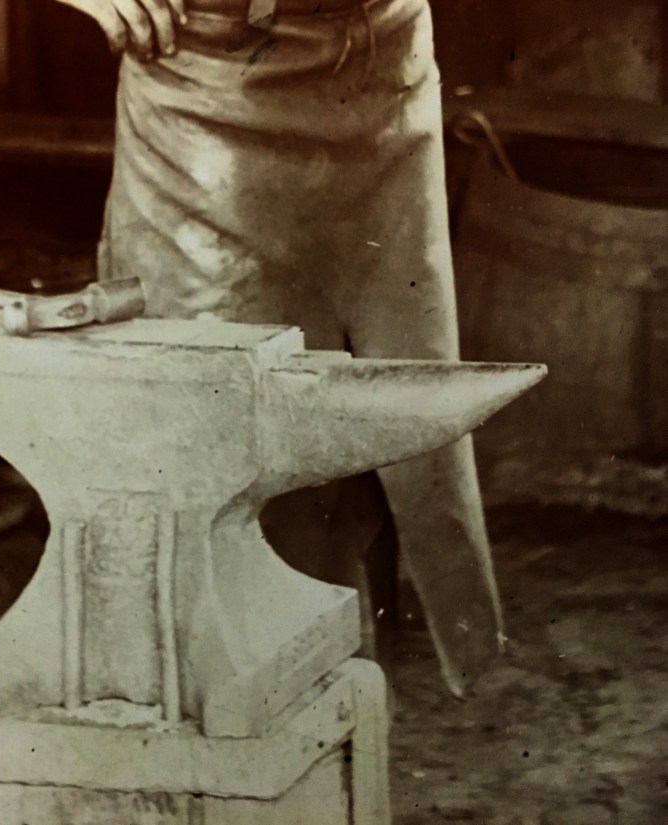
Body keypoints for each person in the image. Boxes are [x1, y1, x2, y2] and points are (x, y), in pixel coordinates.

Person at [58, 0, 503, 699]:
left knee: (388, 422)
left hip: (383, 68)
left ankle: (342, 740)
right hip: (206, 92)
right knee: (231, 450)